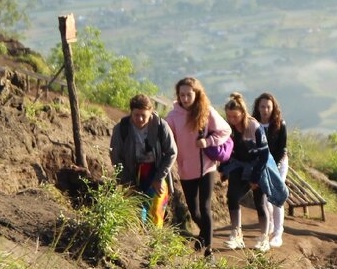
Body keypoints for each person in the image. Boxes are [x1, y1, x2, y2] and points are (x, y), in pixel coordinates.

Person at [165, 77, 232, 259]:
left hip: (206, 168)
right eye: (182, 95)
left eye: (189, 94)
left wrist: (208, 141)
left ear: (196, 94)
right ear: (178, 96)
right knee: (194, 211)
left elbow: (225, 130)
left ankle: (209, 250)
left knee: (205, 207)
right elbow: (165, 138)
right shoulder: (172, 116)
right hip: (186, 170)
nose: (185, 98)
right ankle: (203, 237)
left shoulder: (206, 112)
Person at [109, 93, 178, 227]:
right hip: (132, 172)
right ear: (131, 113)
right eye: (136, 115)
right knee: (134, 212)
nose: (140, 119)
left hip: (156, 171)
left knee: (156, 209)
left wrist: (159, 178)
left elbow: (171, 152)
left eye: (143, 115)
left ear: (150, 112)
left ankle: (154, 242)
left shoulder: (161, 126)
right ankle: (137, 241)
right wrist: (127, 181)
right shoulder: (121, 128)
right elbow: (116, 156)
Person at [221, 92, 273, 251]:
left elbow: (264, 154)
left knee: (260, 201)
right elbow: (228, 149)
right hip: (239, 164)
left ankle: (264, 238)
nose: (232, 120)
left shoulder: (254, 127)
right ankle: (236, 234)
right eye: (229, 116)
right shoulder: (228, 126)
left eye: (235, 117)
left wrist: (256, 177)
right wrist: (224, 168)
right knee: (232, 196)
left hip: (258, 164)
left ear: (243, 113)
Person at [253, 92, 289, 248]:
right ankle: (269, 227)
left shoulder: (281, 125)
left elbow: (282, 149)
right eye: (262, 106)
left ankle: (278, 233)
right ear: (258, 107)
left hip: (278, 165)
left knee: (277, 198)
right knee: (265, 198)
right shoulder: (253, 124)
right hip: (261, 165)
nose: (265, 110)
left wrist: (273, 165)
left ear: (273, 107)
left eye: (268, 106)